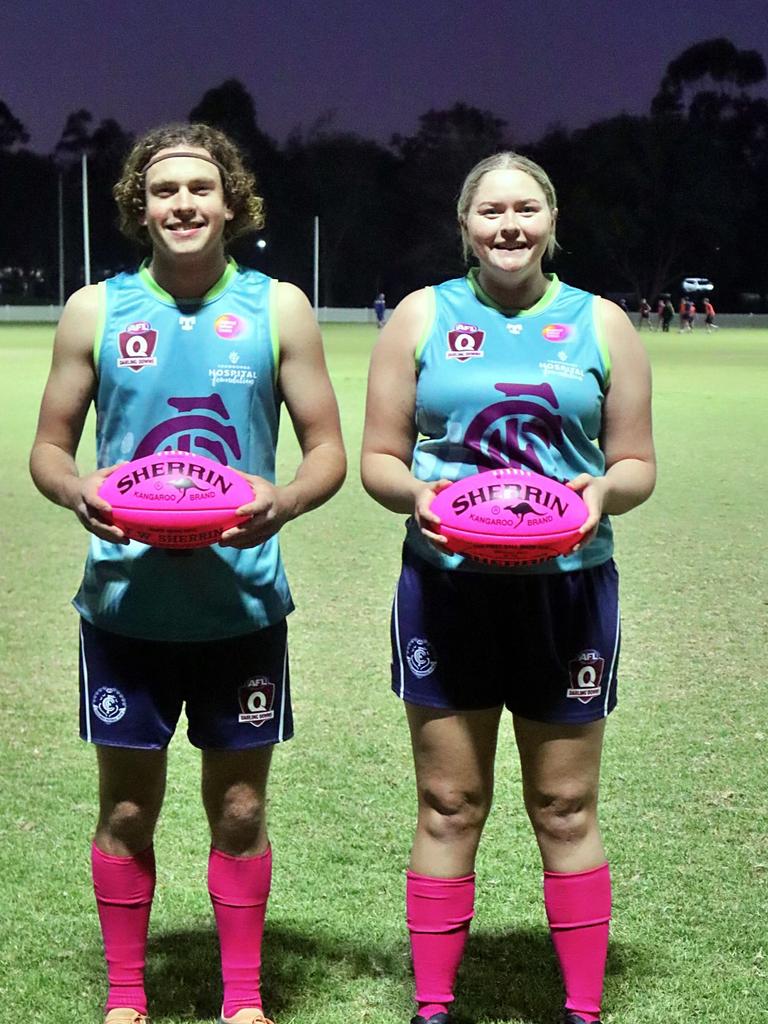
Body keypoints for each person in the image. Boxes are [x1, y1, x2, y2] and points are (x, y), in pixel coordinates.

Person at [29, 124, 346, 1024]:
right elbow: (49, 450)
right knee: (128, 813)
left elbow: (326, 450)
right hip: (126, 602)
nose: (182, 204)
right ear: (139, 207)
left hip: (239, 605)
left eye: (200, 189)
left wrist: (280, 501)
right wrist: (75, 486)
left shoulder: (279, 307)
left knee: (239, 809)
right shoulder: (96, 310)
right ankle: (126, 998)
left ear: (232, 204)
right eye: (163, 191)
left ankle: (241, 1000)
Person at [361, 152, 655, 1024]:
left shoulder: (603, 324)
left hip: (565, 590)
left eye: (526, 209)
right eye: (491, 211)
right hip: (450, 586)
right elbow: (380, 456)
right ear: (466, 226)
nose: (509, 226)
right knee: (450, 801)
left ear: (553, 222)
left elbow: (635, 461)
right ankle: (434, 1008)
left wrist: (600, 492)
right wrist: (419, 496)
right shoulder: (420, 316)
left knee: (565, 805)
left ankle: (583, 1009)